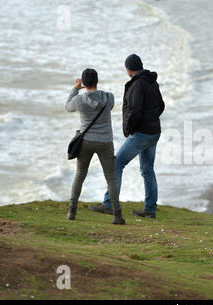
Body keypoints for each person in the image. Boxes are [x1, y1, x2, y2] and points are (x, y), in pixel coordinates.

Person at [89, 54, 165, 219]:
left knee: (116, 165)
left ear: (128, 69)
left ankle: (109, 204)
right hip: (154, 132)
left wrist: (129, 129)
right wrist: (150, 120)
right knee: (148, 170)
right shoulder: (153, 82)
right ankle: (150, 210)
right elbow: (161, 106)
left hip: (142, 134)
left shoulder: (137, 85)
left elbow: (134, 111)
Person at [65, 68, 125, 224]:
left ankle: (72, 211)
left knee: (80, 174)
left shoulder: (79, 100)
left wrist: (75, 89)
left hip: (85, 141)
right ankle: (117, 215)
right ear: (97, 81)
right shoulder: (108, 97)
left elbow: (68, 107)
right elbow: (107, 107)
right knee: (111, 177)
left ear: (84, 83)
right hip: (105, 142)